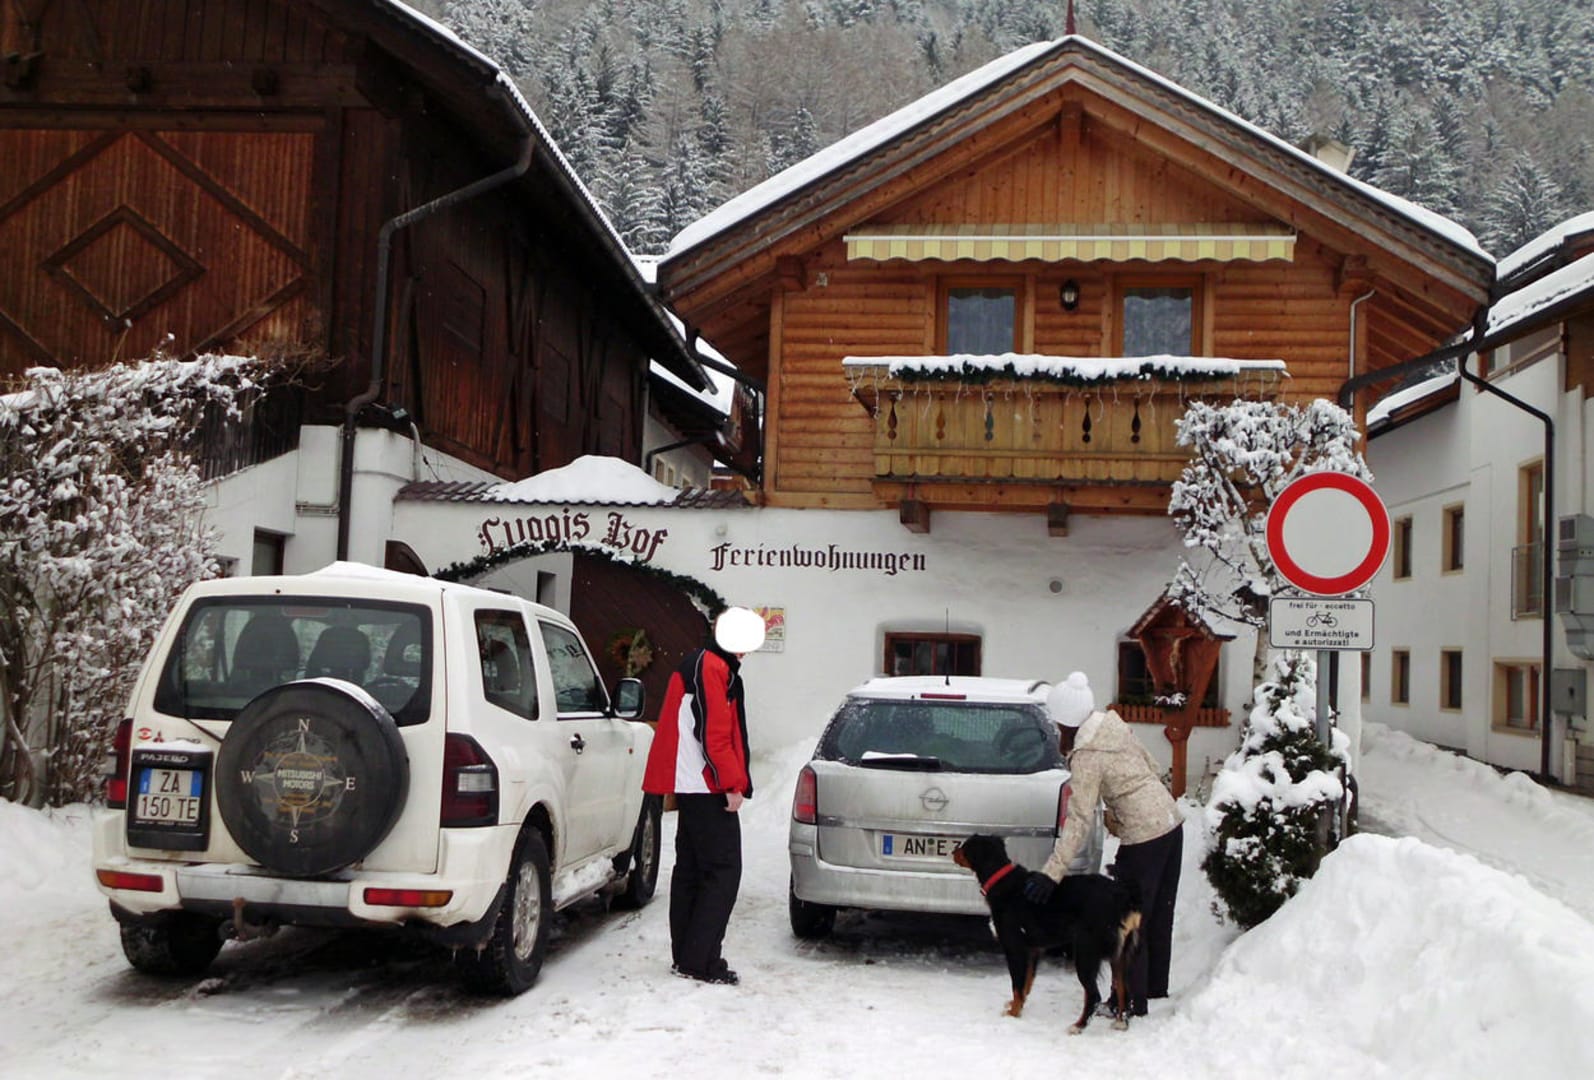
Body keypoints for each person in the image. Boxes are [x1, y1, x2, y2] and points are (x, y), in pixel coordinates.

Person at [1023, 671, 1183, 1017]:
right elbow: (1151, 766)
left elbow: (1079, 819)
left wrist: (1052, 873)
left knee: (1128, 919)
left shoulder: (1087, 754)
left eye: (1057, 723)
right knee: (1159, 912)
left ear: (1066, 722)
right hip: (1171, 822)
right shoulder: (1114, 726)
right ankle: (1153, 987)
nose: (1056, 730)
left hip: (1144, 835)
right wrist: (1119, 811)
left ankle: (1129, 1003)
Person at [642, 605, 767, 986]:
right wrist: (731, 783)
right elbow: (713, 731)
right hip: (705, 782)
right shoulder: (712, 667)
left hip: (692, 781)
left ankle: (687, 957)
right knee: (722, 871)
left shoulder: (700, 663)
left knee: (692, 871)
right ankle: (700, 960)